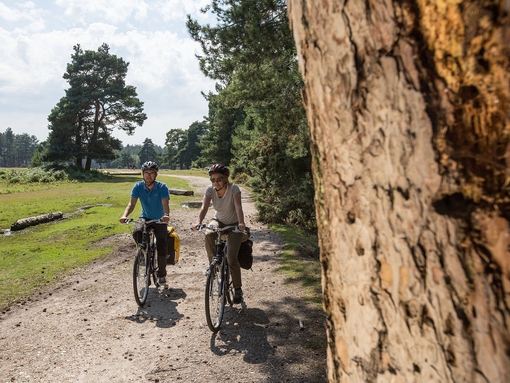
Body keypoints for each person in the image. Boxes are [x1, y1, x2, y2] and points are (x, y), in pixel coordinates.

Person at [191, 164, 246, 304]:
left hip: (234, 224)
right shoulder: (210, 190)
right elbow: (204, 207)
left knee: (231, 258)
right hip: (218, 220)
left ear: (226, 178)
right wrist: (198, 222)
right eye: (213, 179)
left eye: (219, 179)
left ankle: (238, 289)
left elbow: (238, 207)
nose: (216, 182)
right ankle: (213, 265)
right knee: (209, 233)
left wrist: (241, 223)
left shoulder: (234, 189)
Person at [119, 161, 170, 284]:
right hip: (145, 217)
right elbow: (131, 204)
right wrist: (124, 215)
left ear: (156, 175)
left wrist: (166, 215)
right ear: (142, 174)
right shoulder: (137, 187)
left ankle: (162, 273)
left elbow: (165, 203)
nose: (149, 175)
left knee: (162, 243)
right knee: (137, 231)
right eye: (146, 173)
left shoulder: (162, 187)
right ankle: (145, 253)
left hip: (159, 219)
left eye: (152, 173)